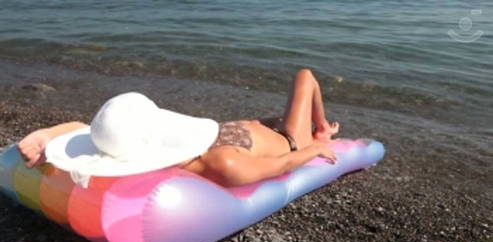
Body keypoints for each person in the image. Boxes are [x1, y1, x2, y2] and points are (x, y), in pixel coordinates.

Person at [17, 69, 339, 187]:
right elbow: (282, 163)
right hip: (285, 141)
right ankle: (322, 126)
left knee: (265, 118)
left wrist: (45, 136)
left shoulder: (123, 141)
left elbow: (82, 130)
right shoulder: (223, 165)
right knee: (304, 76)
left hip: (236, 131)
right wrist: (314, 147)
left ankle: (309, 125)